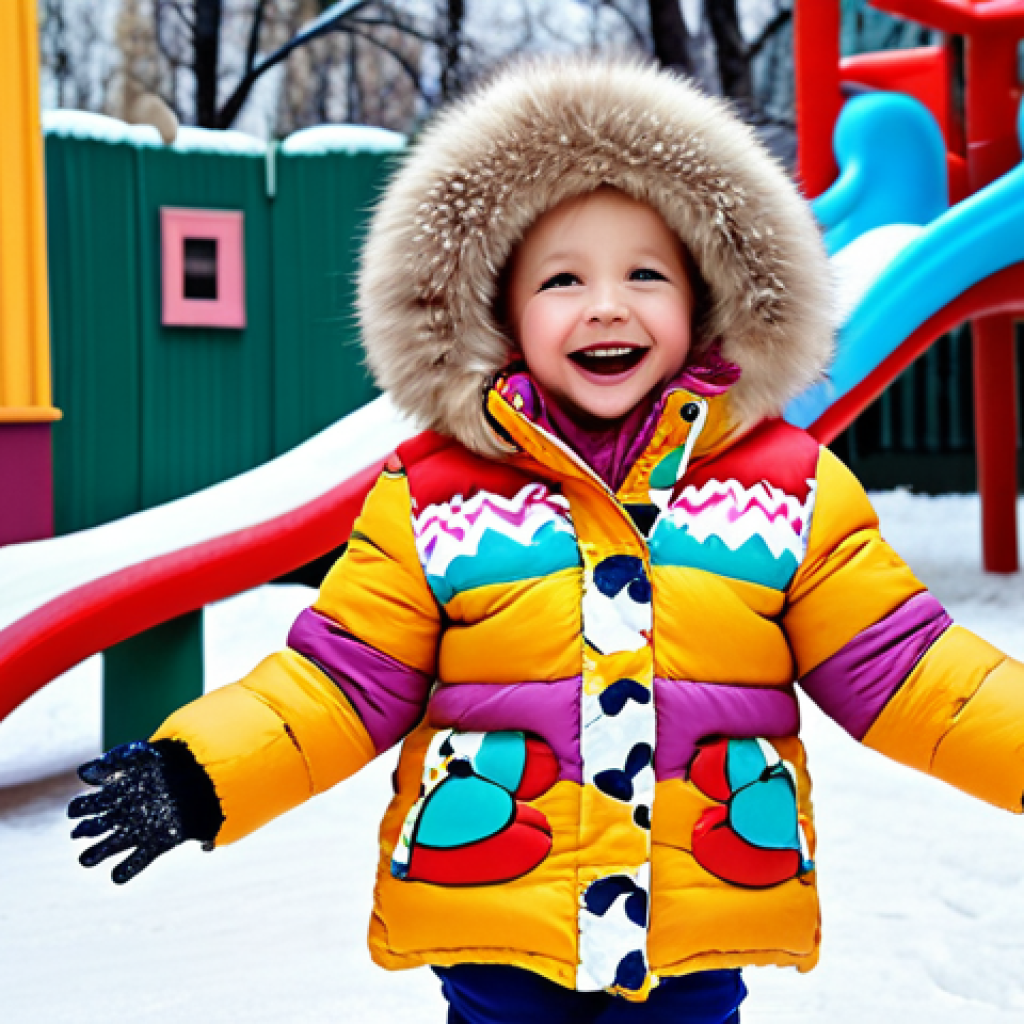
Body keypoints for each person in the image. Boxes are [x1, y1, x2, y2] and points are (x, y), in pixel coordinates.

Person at [68, 57, 1024, 1023]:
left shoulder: (786, 491)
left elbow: (912, 670)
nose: (606, 304)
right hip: (497, 904)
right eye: (562, 279)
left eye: (646, 274)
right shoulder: (434, 500)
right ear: (499, 315)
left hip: (694, 920)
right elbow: (339, 682)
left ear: (707, 299)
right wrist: (202, 770)